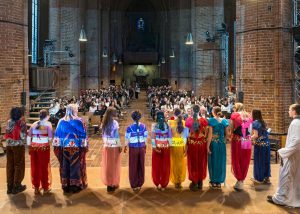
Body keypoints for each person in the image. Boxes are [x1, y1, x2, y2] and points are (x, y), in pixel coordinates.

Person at [267, 104, 300, 207]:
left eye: (289, 109)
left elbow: (297, 141)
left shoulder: (295, 123)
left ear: (294, 111)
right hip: (294, 154)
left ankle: (281, 199)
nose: (288, 111)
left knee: (286, 176)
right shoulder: (297, 122)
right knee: (292, 176)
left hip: (292, 156)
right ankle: (282, 196)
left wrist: (284, 151)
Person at [53, 104, 88, 194]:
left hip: (65, 147)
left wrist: (58, 146)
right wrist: (84, 146)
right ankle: (74, 185)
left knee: (65, 165)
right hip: (76, 147)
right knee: (75, 165)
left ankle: (66, 185)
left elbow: (57, 134)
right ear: (74, 110)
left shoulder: (61, 121)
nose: (77, 111)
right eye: (76, 109)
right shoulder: (79, 121)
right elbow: (83, 134)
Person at [27, 109, 53, 194]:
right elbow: (50, 138)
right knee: (44, 167)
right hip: (43, 148)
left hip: (34, 147)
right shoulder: (48, 125)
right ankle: (45, 187)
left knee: (35, 166)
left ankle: (36, 187)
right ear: (47, 116)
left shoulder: (34, 124)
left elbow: (28, 137)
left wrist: (29, 146)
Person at [185, 105, 208, 191]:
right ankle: (200, 182)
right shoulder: (203, 120)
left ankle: (194, 181)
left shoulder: (189, 120)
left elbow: (187, 134)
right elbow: (205, 133)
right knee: (201, 161)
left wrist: (186, 145)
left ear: (192, 110)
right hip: (201, 143)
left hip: (193, 143)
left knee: (193, 162)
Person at [4, 107, 27, 194]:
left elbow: (7, 132)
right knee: (18, 165)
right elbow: (23, 136)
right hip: (18, 146)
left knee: (10, 164)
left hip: (9, 145)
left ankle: (9, 187)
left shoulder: (9, 121)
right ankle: (16, 186)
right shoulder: (22, 123)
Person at [230, 102, 252, 191]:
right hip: (246, 139)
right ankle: (241, 180)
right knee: (244, 159)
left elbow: (231, 128)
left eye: (234, 107)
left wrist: (230, 134)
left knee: (236, 158)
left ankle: (239, 180)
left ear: (236, 108)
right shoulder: (248, 115)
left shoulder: (235, 115)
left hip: (237, 139)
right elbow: (250, 129)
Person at [124, 111, 148, 191]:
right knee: (141, 165)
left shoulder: (129, 128)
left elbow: (127, 139)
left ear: (132, 118)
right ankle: (140, 183)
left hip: (133, 149)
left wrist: (125, 146)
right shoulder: (144, 126)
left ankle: (134, 184)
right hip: (141, 147)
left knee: (133, 166)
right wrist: (145, 146)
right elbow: (145, 138)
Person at [207, 107, 229, 189]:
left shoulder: (211, 121)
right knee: (220, 161)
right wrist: (223, 139)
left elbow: (209, 135)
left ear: (213, 112)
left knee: (213, 162)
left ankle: (213, 181)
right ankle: (219, 182)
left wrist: (207, 146)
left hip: (214, 143)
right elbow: (227, 135)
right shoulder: (224, 121)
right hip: (221, 144)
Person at [101, 107, 122, 192]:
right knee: (114, 165)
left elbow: (103, 136)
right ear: (112, 114)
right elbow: (116, 136)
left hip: (106, 146)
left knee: (108, 165)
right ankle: (113, 183)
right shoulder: (114, 123)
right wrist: (119, 145)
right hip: (113, 147)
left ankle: (108, 184)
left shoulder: (104, 123)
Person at [168, 108, 189, 189]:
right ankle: (179, 181)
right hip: (181, 145)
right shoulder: (185, 123)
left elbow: (169, 137)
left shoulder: (170, 122)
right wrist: (186, 148)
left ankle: (176, 181)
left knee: (174, 163)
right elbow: (186, 137)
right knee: (181, 163)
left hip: (173, 145)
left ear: (174, 114)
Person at [151, 111, 171, 191]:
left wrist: (154, 147)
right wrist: (169, 146)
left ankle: (157, 183)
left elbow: (153, 137)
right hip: (165, 148)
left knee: (156, 166)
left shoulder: (154, 126)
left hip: (157, 148)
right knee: (165, 166)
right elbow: (170, 138)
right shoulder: (167, 125)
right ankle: (163, 184)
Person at [250, 109, 271, 184]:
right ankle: (266, 177)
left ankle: (259, 178)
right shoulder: (263, 122)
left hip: (260, 145)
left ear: (254, 114)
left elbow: (256, 135)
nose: (250, 114)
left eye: (251, 113)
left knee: (259, 161)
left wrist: (248, 138)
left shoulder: (255, 123)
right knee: (266, 160)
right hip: (267, 144)